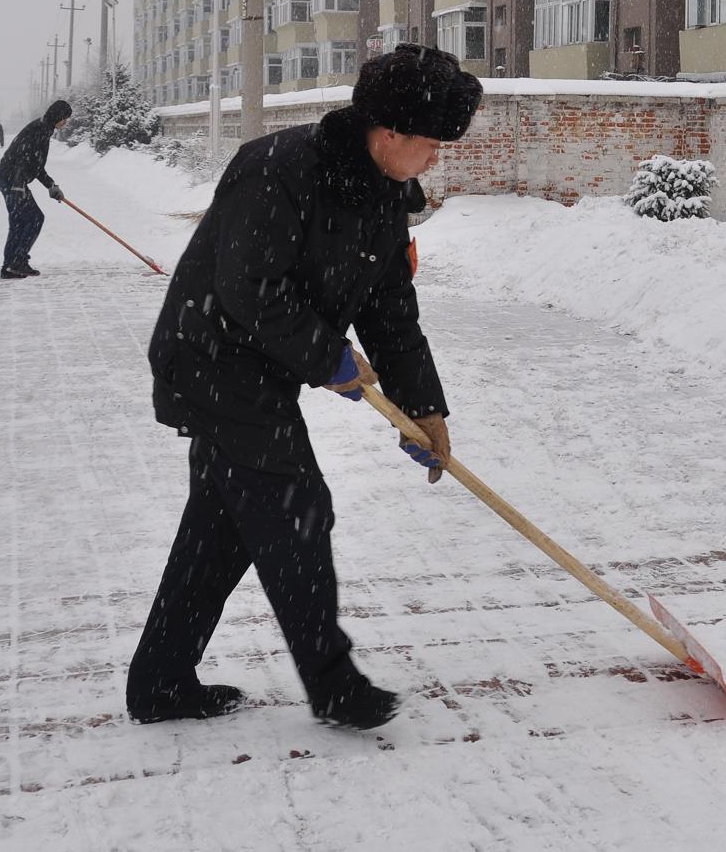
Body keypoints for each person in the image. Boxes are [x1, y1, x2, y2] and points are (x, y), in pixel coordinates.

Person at [125, 44, 481, 731]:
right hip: (209, 358)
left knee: (223, 529)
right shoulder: (279, 170)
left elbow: (390, 313)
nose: (438, 157)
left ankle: (162, 679)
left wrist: (424, 407)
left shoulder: (382, 197)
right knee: (297, 509)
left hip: (262, 368)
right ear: (388, 133)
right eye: (432, 142)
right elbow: (249, 291)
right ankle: (333, 684)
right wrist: (329, 359)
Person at [0, 100, 69, 279]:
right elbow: (23, 155)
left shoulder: (44, 128)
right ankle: (17, 261)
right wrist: (18, 185)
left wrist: (51, 185)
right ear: (58, 116)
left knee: (18, 222)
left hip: (10, 178)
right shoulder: (40, 129)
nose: (65, 122)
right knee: (35, 218)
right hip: (12, 179)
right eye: (65, 118)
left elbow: (35, 165)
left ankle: (9, 267)